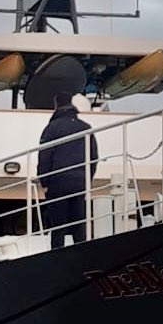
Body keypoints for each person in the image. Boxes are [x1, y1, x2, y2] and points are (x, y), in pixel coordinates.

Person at [37, 92, 98, 248]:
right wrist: (86, 179)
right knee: (79, 225)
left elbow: (45, 156)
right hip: (79, 182)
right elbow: (93, 157)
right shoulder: (85, 128)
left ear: (56, 106)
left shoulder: (51, 128)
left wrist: (44, 181)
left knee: (58, 227)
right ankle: (82, 258)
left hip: (58, 182)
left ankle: (56, 260)